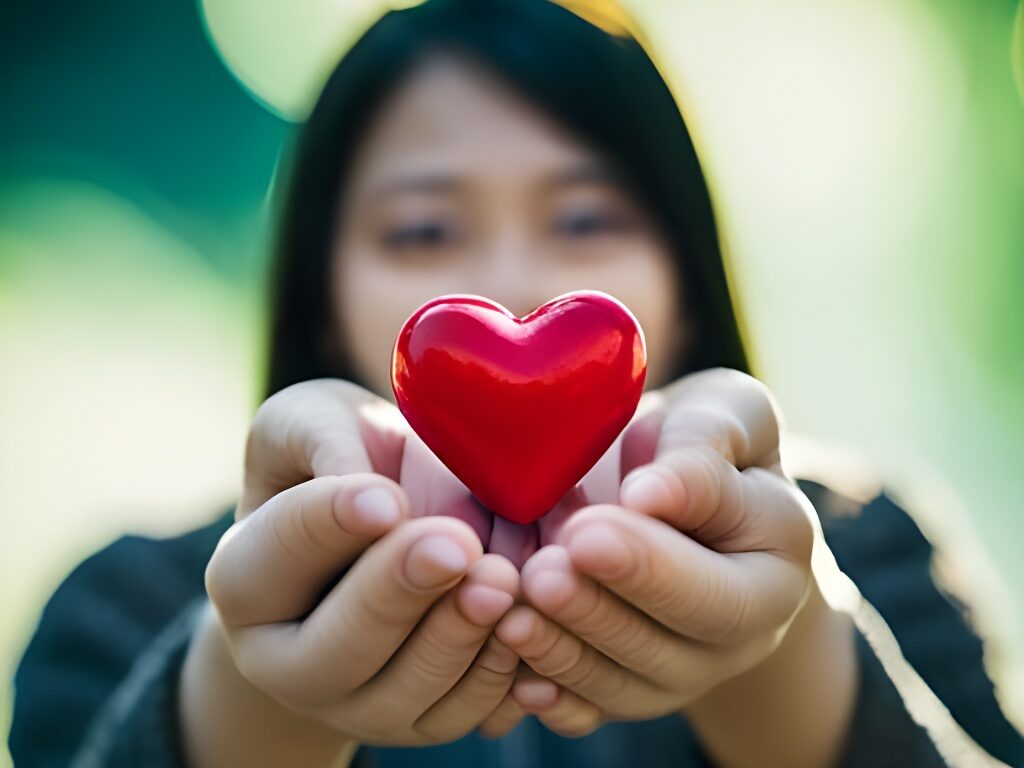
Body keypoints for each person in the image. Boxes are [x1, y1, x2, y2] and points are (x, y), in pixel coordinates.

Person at [9, 0, 1023, 766]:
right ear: (320, 292)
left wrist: (793, 654)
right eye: (422, 230)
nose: (510, 282)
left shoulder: (872, 553)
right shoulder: (126, 608)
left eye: (585, 219)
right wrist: (245, 691)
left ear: (685, 271)